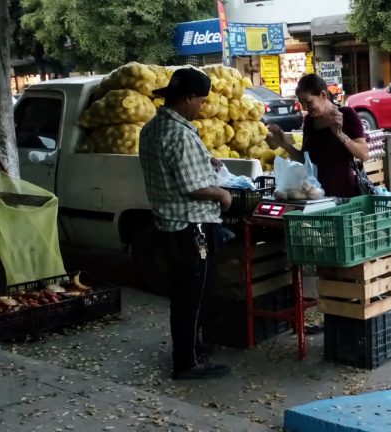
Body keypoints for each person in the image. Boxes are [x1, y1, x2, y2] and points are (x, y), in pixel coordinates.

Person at [139, 68, 233, 380]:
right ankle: (187, 362)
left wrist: (209, 162)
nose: (203, 107)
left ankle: (192, 349)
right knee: (193, 297)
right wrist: (221, 193)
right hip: (192, 228)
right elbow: (193, 187)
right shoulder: (179, 133)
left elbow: (174, 169)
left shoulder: (153, 127)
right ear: (188, 99)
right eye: (202, 101)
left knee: (184, 294)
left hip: (168, 224)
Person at [267, 74, 369, 198]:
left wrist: (341, 135)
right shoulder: (309, 121)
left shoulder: (347, 115)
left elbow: (364, 154)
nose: (305, 107)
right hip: (315, 195)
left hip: (344, 194)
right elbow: (306, 160)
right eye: (302, 103)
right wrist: (285, 144)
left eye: (309, 102)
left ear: (323, 95)